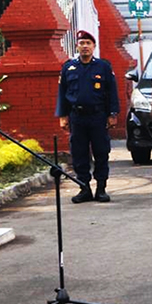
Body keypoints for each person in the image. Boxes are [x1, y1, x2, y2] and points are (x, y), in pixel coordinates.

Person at [57, 30, 120, 203]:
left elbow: (112, 92)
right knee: (79, 154)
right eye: (82, 43)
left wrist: (113, 114)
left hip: (98, 117)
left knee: (101, 152)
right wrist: (62, 115)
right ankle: (84, 188)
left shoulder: (103, 67)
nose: (85, 46)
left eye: (88, 43)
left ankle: (101, 189)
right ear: (77, 46)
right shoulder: (68, 67)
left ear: (94, 46)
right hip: (77, 117)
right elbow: (62, 93)